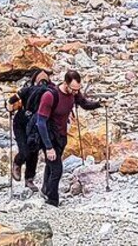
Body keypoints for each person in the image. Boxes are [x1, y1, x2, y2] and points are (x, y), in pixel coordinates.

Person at [31, 70, 101, 207]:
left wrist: (99, 104)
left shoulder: (73, 94)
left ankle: (46, 189)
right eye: (73, 89)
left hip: (61, 136)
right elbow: (40, 122)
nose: (76, 92)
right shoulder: (50, 96)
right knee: (57, 169)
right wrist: (48, 147)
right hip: (48, 137)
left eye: (78, 89)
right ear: (65, 83)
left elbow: (84, 104)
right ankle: (52, 201)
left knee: (51, 166)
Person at [7, 69, 51, 191]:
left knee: (34, 151)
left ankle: (29, 179)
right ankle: (18, 162)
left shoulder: (48, 92)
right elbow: (12, 100)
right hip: (21, 123)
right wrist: (10, 107)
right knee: (25, 151)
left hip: (35, 124)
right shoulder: (27, 90)